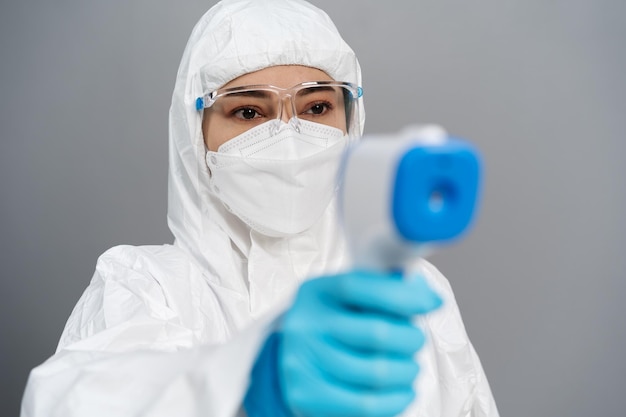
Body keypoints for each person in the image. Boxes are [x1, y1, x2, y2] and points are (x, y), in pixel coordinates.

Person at [21, 1, 499, 416]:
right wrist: (251, 386)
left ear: (350, 121)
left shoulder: (411, 292)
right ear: (195, 135)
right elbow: (71, 401)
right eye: (249, 112)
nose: (290, 138)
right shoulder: (145, 286)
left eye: (316, 108)